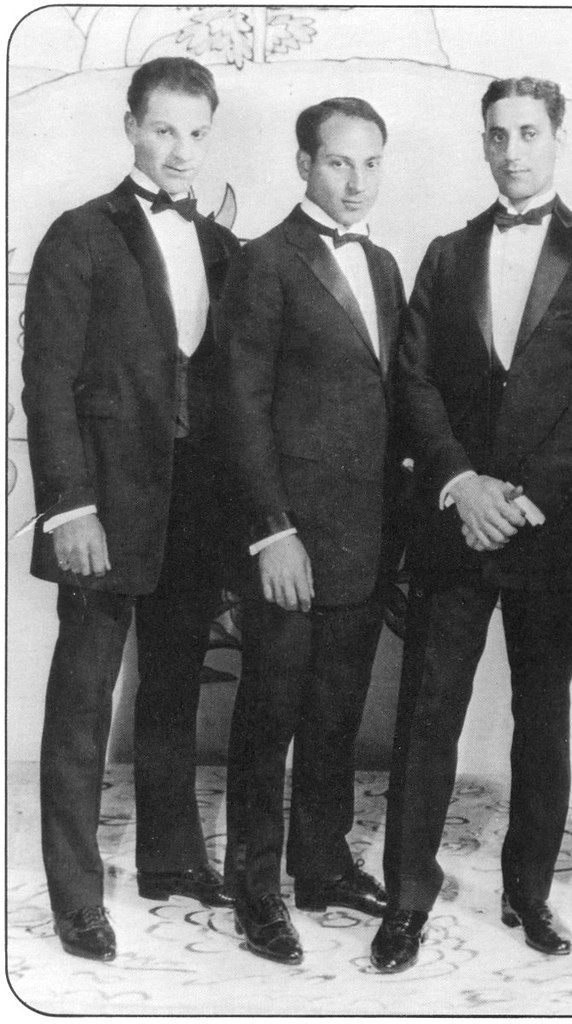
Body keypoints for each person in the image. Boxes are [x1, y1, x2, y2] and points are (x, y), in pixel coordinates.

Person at [370, 76, 572, 973]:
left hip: (548, 531)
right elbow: (413, 381)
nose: (511, 151)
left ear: (557, 138)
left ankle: (529, 892)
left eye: (527, 133)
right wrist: (461, 485)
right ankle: (405, 898)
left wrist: (517, 495)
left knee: (542, 714)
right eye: (496, 135)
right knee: (427, 714)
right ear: (481, 144)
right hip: (454, 525)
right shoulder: (445, 254)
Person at [21, 57, 240, 961]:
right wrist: (68, 509)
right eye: (163, 130)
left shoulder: (225, 247)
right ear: (131, 128)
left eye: (195, 132)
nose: (180, 150)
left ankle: (170, 859)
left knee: (175, 684)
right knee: (83, 699)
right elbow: (48, 384)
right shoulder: (80, 234)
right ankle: (76, 894)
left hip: (194, 506)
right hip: (105, 507)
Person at [220, 97, 406, 965]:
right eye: (338, 162)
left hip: (364, 539)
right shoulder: (264, 261)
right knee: (270, 717)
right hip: (290, 543)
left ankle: (321, 866)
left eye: (370, 163)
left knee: (334, 714)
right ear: (304, 164)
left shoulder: (388, 265)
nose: (355, 180)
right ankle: (254, 890)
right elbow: (240, 409)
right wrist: (271, 532)